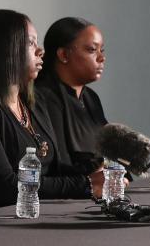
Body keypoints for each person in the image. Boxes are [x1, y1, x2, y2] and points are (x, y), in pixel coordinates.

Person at [0, 10, 104, 209]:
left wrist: (98, 173)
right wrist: (85, 184)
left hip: (38, 211)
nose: (40, 51)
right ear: (4, 49)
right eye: (30, 43)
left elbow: (53, 170)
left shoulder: (31, 101)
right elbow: (5, 186)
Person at [35, 17, 108, 169]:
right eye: (92, 50)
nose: (102, 58)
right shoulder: (42, 97)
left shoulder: (91, 98)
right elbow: (57, 163)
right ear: (63, 55)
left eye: (102, 50)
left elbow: (109, 152)